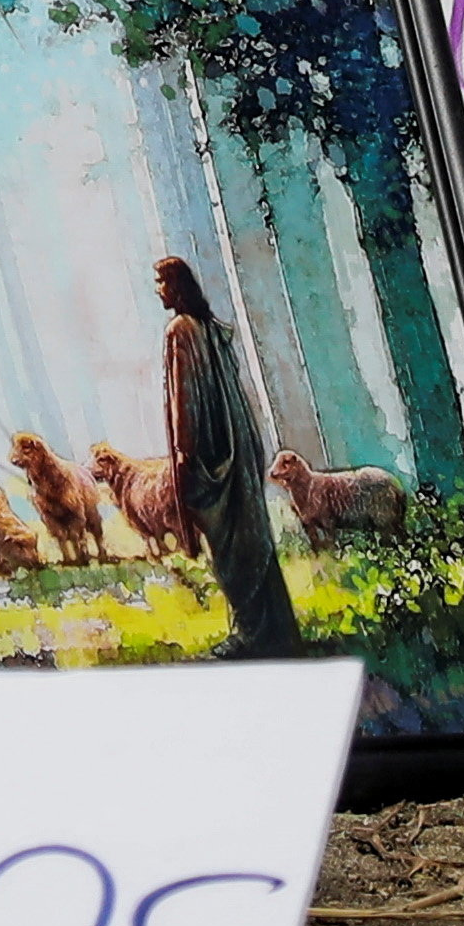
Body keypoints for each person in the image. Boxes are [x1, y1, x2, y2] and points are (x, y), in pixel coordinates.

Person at [155, 254, 309, 660]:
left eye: (162, 282)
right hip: (237, 448)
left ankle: (253, 635)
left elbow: (182, 401)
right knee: (249, 540)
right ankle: (273, 631)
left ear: (178, 286)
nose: (159, 291)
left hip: (209, 458)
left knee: (230, 549)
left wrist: (185, 455)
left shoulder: (180, 331)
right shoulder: (210, 329)